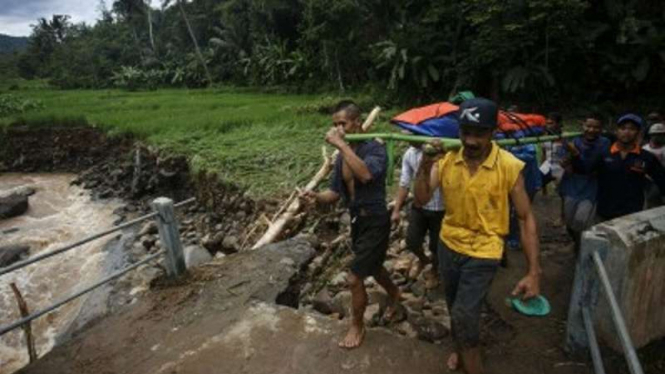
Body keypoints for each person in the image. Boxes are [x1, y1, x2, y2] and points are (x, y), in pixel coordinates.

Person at [414, 98, 541, 374]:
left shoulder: (509, 166)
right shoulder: (447, 159)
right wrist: (425, 165)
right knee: (453, 307)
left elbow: (525, 217)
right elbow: (422, 199)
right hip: (448, 244)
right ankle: (460, 349)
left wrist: (533, 272)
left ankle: (473, 363)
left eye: (479, 134)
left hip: (485, 249)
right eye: (465, 132)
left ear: (493, 132)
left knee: (463, 314)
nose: (470, 141)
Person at [301, 100, 400, 349]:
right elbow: (334, 193)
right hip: (357, 220)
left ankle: (358, 326)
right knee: (375, 267)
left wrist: (342, 145)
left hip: (376, 218)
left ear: (357, 122)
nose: (338, 129)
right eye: (335, 125)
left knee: (355, 278)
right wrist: (315, 198)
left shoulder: (375, 148)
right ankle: (397, 296)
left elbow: (366, 175)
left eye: (342, 123)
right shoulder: (342, 157)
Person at [391, 134, 445, 288]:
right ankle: (423, 260)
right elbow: (404, 182)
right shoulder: (410, 154)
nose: (407, 135)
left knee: (436, 246)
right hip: (419, 206)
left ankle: (434, 270)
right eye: (405, 132)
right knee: (412, 241)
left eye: (412, 132)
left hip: (441, 208)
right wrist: (396, 209)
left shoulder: (441, 152)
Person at [596, 114, 665, 221]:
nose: (627, 132)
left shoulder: (646, 157)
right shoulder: (603, 154)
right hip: (604, 212)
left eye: (632, 129)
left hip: (632, 214)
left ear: (639, 133)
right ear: (616, 131)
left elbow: (662, 180)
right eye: (623, 128)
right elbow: (586, 172)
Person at [557, 114, 610, 251]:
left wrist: (575, 154)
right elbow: (564, 162)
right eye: (588, 126)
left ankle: (581, 248)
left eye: (596, 127)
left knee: (582, 220)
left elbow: (591, 165)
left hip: (591, 185)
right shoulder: (575, 140)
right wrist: (566, 161)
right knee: (569, 221)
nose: (591, 130)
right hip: (572, 184)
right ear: (583, 126)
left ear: (601, 129)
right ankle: (577, 242)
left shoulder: (604, 143)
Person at [643, 123, 665, 208]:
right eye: (655, 134)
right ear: (650, 135)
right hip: (647, 180)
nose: (658, 137)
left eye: (661, 134)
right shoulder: (644, 149)